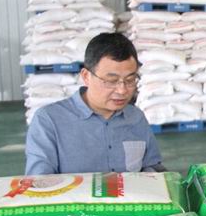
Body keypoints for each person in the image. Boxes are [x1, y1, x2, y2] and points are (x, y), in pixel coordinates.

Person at [25, 33, 163, 174]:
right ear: (86, 76)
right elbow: (39, 182)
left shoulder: (136, 117)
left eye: (130, 80)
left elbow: (152, 167)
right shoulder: (49, 121)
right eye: (111, 81)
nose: (122, 90)